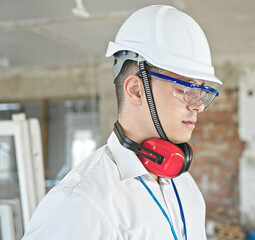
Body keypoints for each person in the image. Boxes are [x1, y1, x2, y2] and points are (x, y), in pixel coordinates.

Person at [23, 5, 222, 239]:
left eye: (202, 92)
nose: (198, 105)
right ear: (136, 90)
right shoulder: (80, 202)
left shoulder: (186, 187)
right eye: (185, 88)